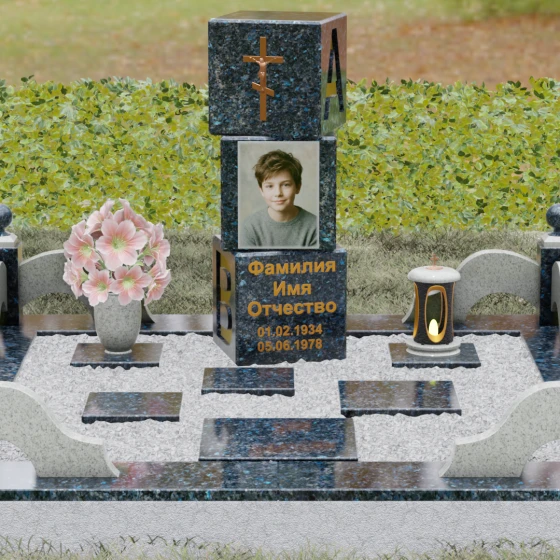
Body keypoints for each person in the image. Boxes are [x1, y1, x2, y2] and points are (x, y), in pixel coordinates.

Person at [241, 150, 318, 248]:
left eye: (286, 185)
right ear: (261, 190)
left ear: (298, 187)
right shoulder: (250, 227)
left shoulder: (315, 226)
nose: (278, 193)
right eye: (269, 186)